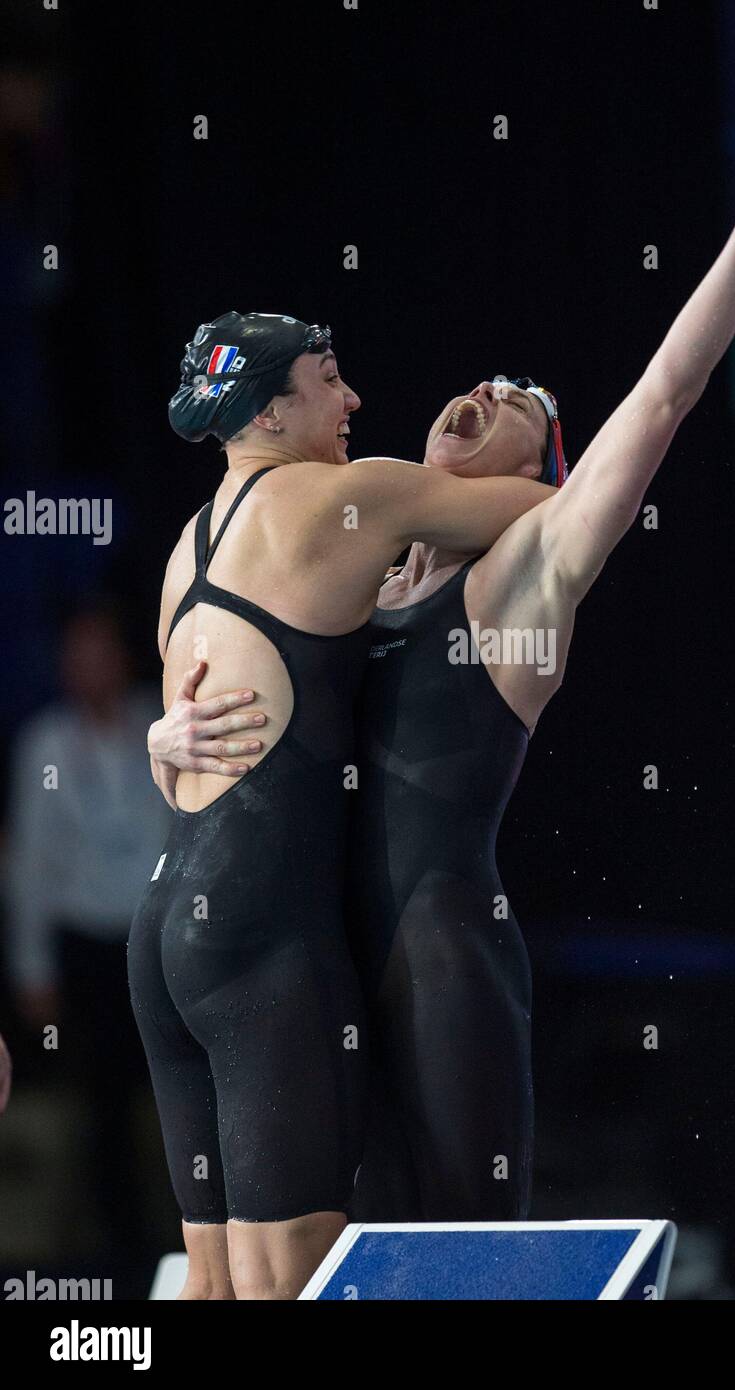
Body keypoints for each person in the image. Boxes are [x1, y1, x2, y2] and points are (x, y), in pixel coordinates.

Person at [149, 120, 735, 1221]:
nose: (487, 393)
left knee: (462, 1257)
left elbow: (663, 393)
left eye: (522, 404)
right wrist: (162, 740)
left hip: (436, 962)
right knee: (341, 1274)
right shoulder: (348, 582)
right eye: (483, 381)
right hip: (312, 959)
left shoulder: (524, 577)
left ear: (541, 470)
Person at [129, 312, 550, 1299]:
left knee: (212, 1283)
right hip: (258, 933)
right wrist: (523, 437)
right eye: (330, 377)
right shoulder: (348, 496)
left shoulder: (185, 549)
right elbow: (540, 512)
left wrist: (155, 738)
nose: (353, 399)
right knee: (292, 1286)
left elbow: (174, 742)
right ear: (274, 408)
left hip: (164, 929)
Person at [6, 600, 172, 1257]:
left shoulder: (157, 725)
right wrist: (33, 970)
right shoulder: (45, 743)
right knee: (100, 1102)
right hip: (86, 950)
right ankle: (119, 1246)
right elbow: (32, 867)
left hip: (156, 940)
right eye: (75, 654)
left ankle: (191, 1236)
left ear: (122, 657)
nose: (87, 667)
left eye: (99, 651)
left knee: (171, 1090)